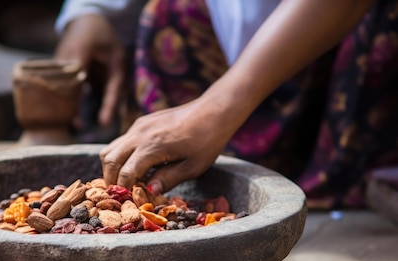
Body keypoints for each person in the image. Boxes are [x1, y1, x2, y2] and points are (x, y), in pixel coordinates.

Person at [54, 0, 398, 209]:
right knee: (166, 13)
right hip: (229, 43)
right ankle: (223, 167)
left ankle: (351, 180)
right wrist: (91, 13)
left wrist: (217, 107)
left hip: (340, 38)